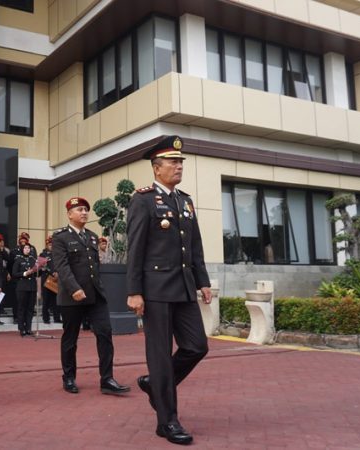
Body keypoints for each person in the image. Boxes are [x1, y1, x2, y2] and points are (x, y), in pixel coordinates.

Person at [125, 135, 212, 445]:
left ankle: (155, 384)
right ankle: (167, 421)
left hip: (185, 286)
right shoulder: (143, 200)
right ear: (156, 167)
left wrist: (203, 281)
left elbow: (196, 246)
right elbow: (135, 249)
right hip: (156, 289)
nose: (178, 166)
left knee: (197, 346)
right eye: (173, 162)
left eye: (180, 162)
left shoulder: (184, 200)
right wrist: (134, 291)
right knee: (160, 355)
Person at [52, 196, 131, 396]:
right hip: (73, 296)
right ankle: (68, 377)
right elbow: (62, 267)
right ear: (69, 214)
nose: (84, 213)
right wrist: (74, 288)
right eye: (79, 209)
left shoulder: (93, 236)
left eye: (86, 210)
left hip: (95, 295)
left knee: (105, 334)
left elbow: (95, 267)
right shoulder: (60, 237)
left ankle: (107, 379)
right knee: (70, 338)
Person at [12, 243, 38, 336]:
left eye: (28, 248)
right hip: (22, 286)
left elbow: (37, 274)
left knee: (30, 308)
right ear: (22, 250)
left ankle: (28, 328)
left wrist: (42, 269)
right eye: (25, 248)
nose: (27, 249)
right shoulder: (18, 260)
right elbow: (14, 273)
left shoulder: (33, 260)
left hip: (32, 287)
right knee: (22, 308)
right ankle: (21, 328)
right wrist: (24, 273)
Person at [39, 236, 61, 324]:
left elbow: (61, 265)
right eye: (49, 244)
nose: (51, 246)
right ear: (47, 244)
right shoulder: (42, 254)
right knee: (46, 300)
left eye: (52, 244)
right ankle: (46, 318)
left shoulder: (58, 253)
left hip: (56, 279)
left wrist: (57, 273)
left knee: (56, 300)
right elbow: (42, 267)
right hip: (46, 279)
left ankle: (57, 318)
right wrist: (52, 273)